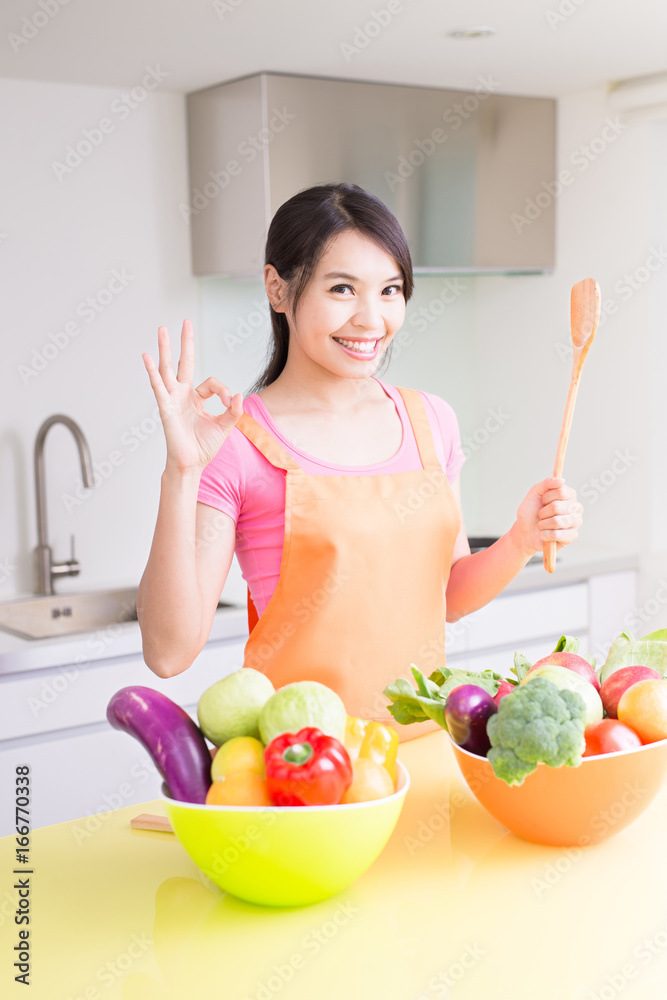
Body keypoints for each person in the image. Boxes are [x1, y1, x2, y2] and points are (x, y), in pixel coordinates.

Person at [137, 182, 583, 740]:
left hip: (425, 750)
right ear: (278, 289)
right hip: (302, 771)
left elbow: (446, 597)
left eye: (390, 290)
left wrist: (520, 538)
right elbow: (168, 652)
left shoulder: (430, 422)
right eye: (343, 289)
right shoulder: (236, 441)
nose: (371, 319)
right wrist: (181, 471)